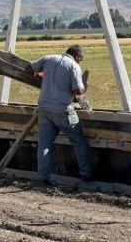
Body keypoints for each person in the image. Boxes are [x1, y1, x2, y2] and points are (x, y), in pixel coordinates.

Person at [25, 45, 92, 184]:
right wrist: (84, 87)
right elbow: (77, 91)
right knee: (78, 142)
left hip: (44, 109)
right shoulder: (74, 66)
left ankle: (43, 178)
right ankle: (86, 174)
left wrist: (38, 75)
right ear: (77, 56)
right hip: (63, 111)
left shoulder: (48, 59)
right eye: (81, 59)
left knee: (44, 145)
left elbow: (28, 69)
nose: (80, 62)